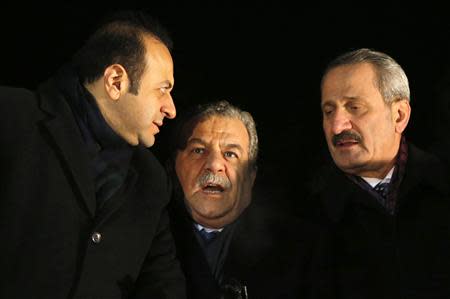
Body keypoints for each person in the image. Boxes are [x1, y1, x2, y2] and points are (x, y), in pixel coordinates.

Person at [0, 10, 186, 299]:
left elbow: (162, 286)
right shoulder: (12, 118)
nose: (171, 109)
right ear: (115, 81)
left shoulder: (152, 182)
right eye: (162, 90)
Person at [309, 48, 450, 298]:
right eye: (329, 111)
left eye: (354, 107)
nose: (337, 125)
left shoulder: (441, 186)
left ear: (399, 115)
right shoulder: (304, 213)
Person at [166, 100, 315, 299]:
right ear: (175, 166)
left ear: (250, 176)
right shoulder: (146, 237)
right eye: (199, 150)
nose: (214, 164)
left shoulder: (302, 249)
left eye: (230, 154)